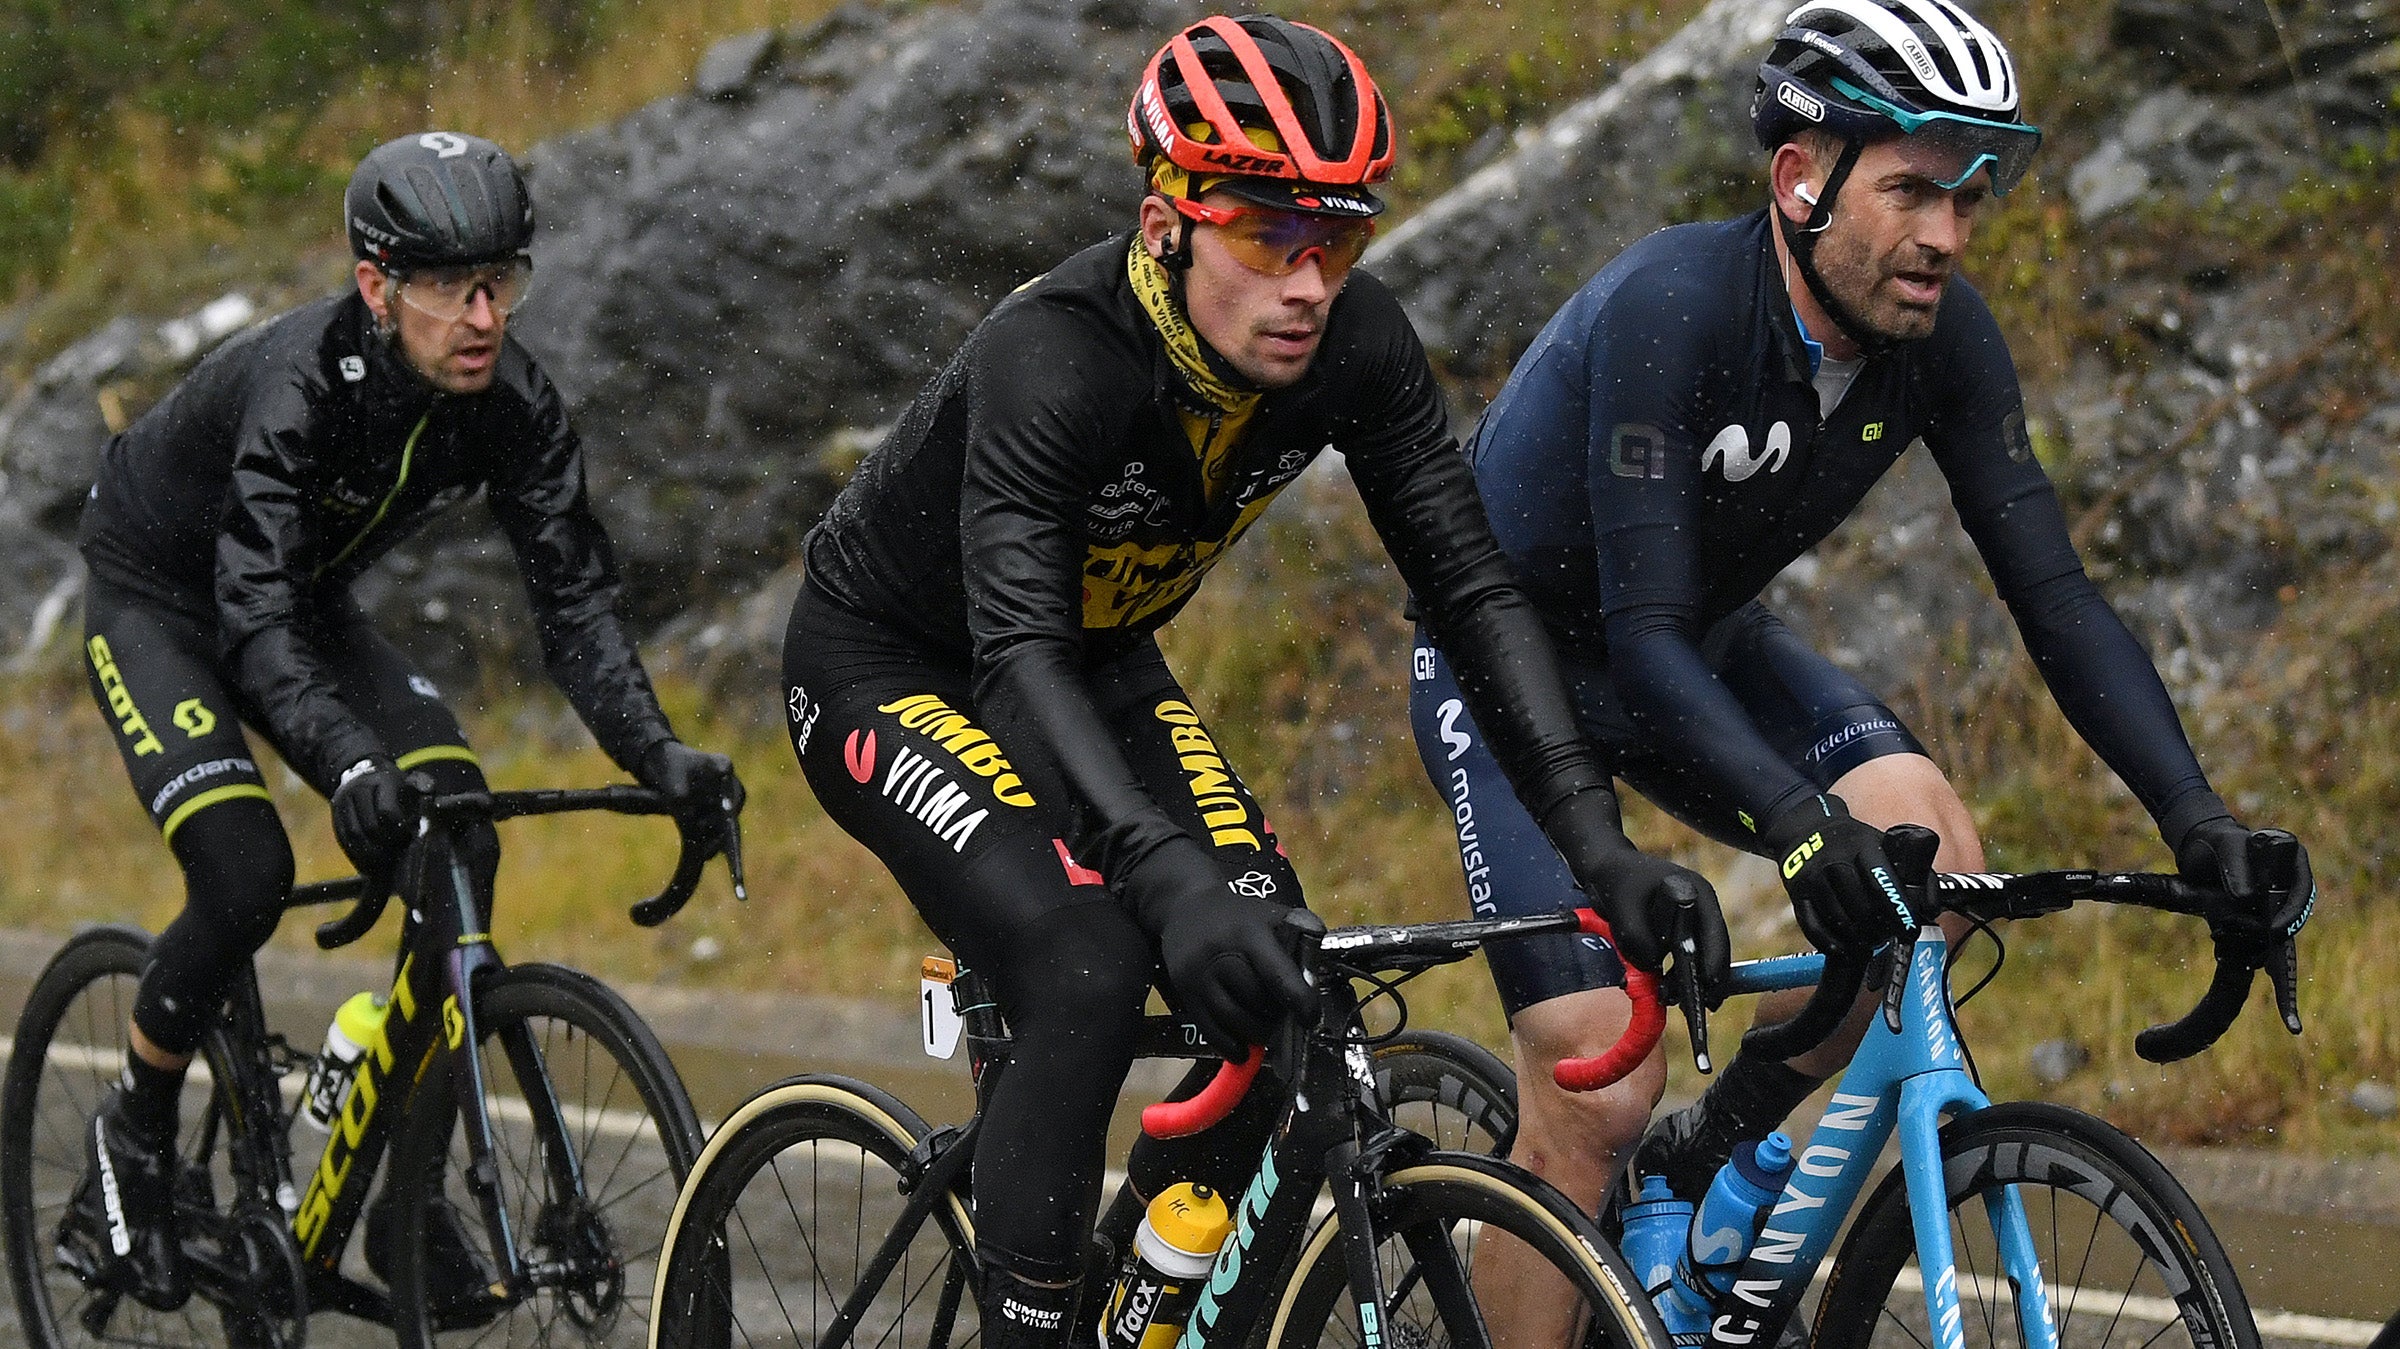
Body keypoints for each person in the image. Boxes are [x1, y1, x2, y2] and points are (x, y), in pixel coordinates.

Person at [781, 14, 1728, 1348]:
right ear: (1167, 222)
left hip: (1094, 659)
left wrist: (1595, 843)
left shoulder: (1351, 347)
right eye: (1265, 235)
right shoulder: (1057, 357)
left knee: (1286, 972)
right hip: (896, 664)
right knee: (1093, 955)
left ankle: (1153, 1298)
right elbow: (1016, 659)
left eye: (1337, 239)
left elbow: (1471, 593)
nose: (1308, 282)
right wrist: (1159, 882)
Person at [1408, 0, 2315, 1228]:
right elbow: (1643, 632)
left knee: (1933, 869)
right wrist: (1795, 823)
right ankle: (1603, 1173)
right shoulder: (1672, 307)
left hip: (1692, 646)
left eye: (1968, 197)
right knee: (1596, 1087)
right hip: (1510, 670)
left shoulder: (1938, 338)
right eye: (1910, 191)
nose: (1945, 235)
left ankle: (1700, 1156)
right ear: (1800, 180)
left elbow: (2054, 597)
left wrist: (2195, 819)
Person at [63, 131, 742, 1310]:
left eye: (502, 282)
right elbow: (252, 620)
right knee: (242, 868)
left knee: (461, 839)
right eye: (448, 286)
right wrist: (345, 762)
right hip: (162, 598)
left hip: (296, 600)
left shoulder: (512, 401)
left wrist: (658, 751)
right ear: (376, 285)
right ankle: (133, 1133)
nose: (483, 315)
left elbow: (575, 603)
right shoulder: (299, 385)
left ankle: (402, 1178)